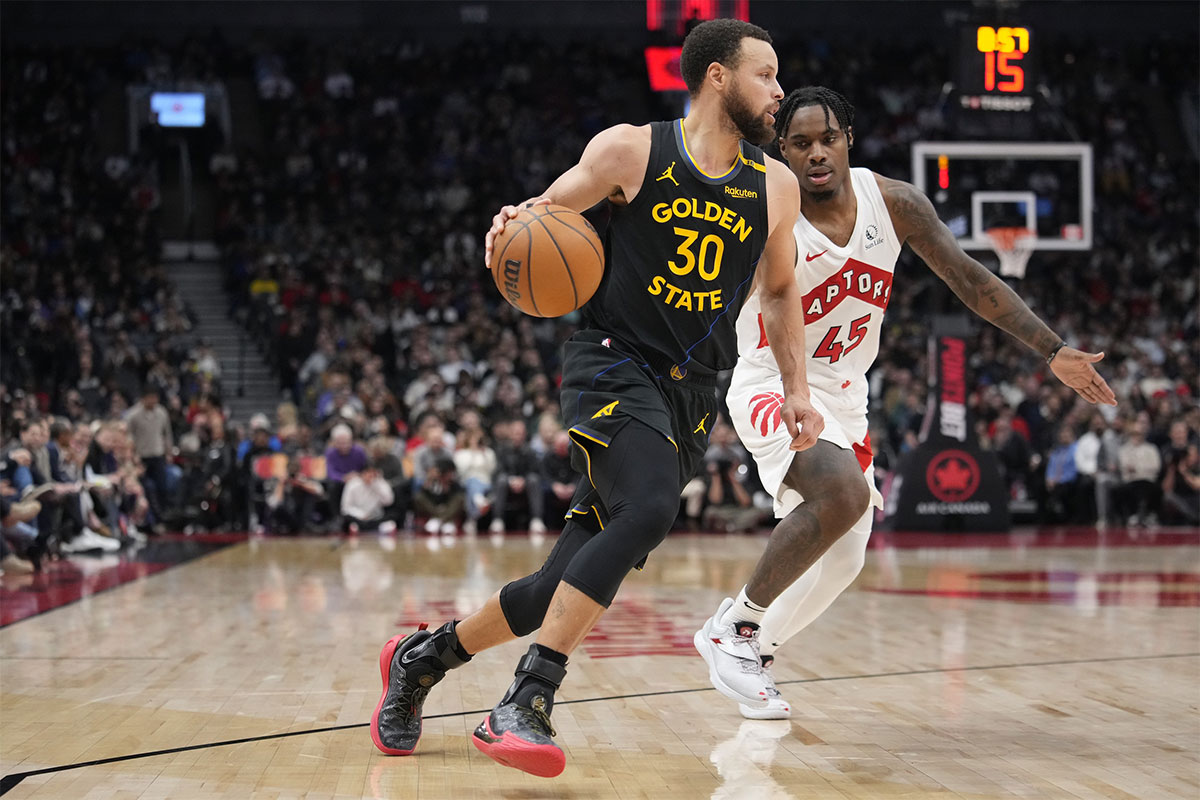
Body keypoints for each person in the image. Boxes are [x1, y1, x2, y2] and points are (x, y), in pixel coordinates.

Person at [369, 19, 818, 777]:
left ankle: (421, 658)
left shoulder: (775, 185)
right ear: (716, 76)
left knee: (557, 585)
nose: (779, 92)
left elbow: (778, 292)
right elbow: (545, 214)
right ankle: (526, 699)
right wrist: (511, 222)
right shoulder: (632, 149)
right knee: (648, 508)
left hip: (692, 393)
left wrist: (798, 388)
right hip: (611, 364)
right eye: (765, 75)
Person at [695, 86, 1118, 720]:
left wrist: (1050, 349)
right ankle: (738, 628)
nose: (816, 153)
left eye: (826, 139)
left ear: (848, 140)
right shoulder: (766, 212)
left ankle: (753, 648)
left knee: (848, 551)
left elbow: (971, 280)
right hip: (774, 384)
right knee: (841, 494)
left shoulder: (891, 203)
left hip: (846, 394)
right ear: (781, 150)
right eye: (800, 143)